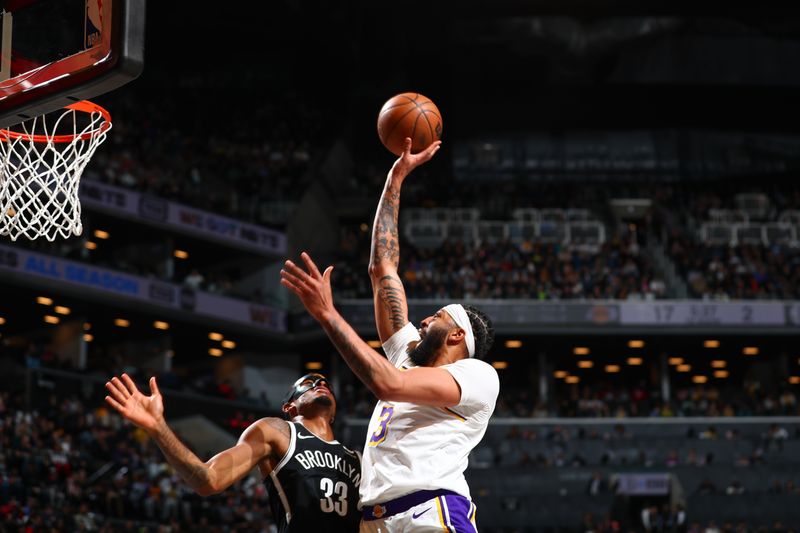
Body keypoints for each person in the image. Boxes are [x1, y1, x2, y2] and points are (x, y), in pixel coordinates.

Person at [280, 137, 499, 532]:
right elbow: (383, 268)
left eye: (437, 318)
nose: (425, 321)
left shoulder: (478, 377)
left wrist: (328, 315)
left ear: (456, 338)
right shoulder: (408, 357)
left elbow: (387, 384)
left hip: (430, 512)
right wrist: (395, 179)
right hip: (374, 521)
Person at [104, 372, 361, 532]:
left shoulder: (357, 458)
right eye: (308, 383)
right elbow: (209, 480)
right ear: (289, 407)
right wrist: (158, 428)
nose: (319, 383)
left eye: (324, 382)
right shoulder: (277, 431)